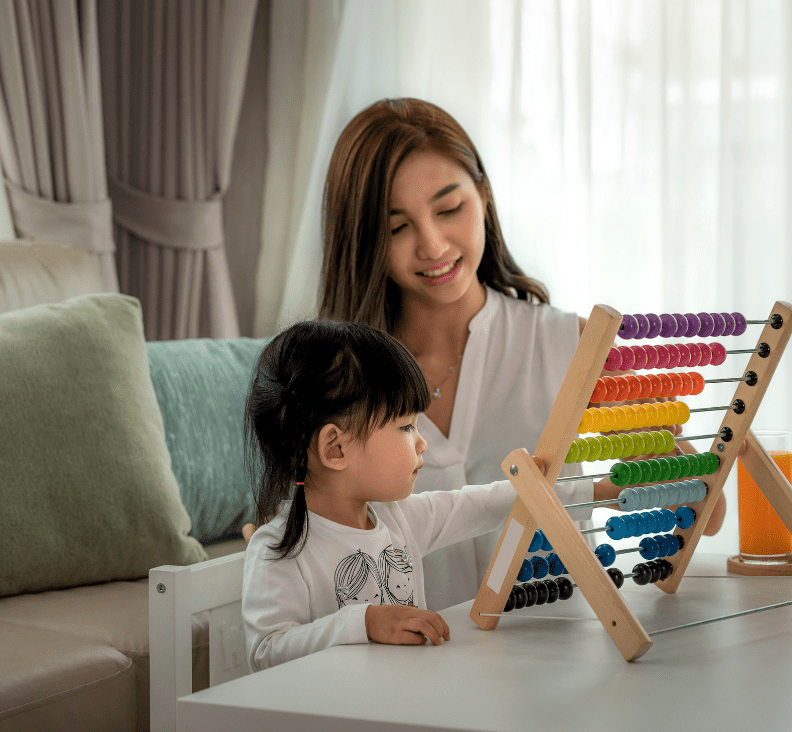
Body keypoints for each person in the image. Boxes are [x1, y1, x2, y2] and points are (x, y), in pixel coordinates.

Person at [312, 97, 723, 610]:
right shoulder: (334, 382)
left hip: (555, 657)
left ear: (483, 195)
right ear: (363, 239)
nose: (434, 245)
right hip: (405, 667)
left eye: (449, 209)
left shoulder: (569, 345)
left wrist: (678, 469)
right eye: (398, 227)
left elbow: (709, 511)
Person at [242, 319, 621, 671]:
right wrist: (365, 622)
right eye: (406, 426)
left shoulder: (399, 518)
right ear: (335, 449)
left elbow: (494, 501)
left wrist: (601, 491)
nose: (422, 443)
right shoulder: (277, 549)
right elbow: (266, 652)